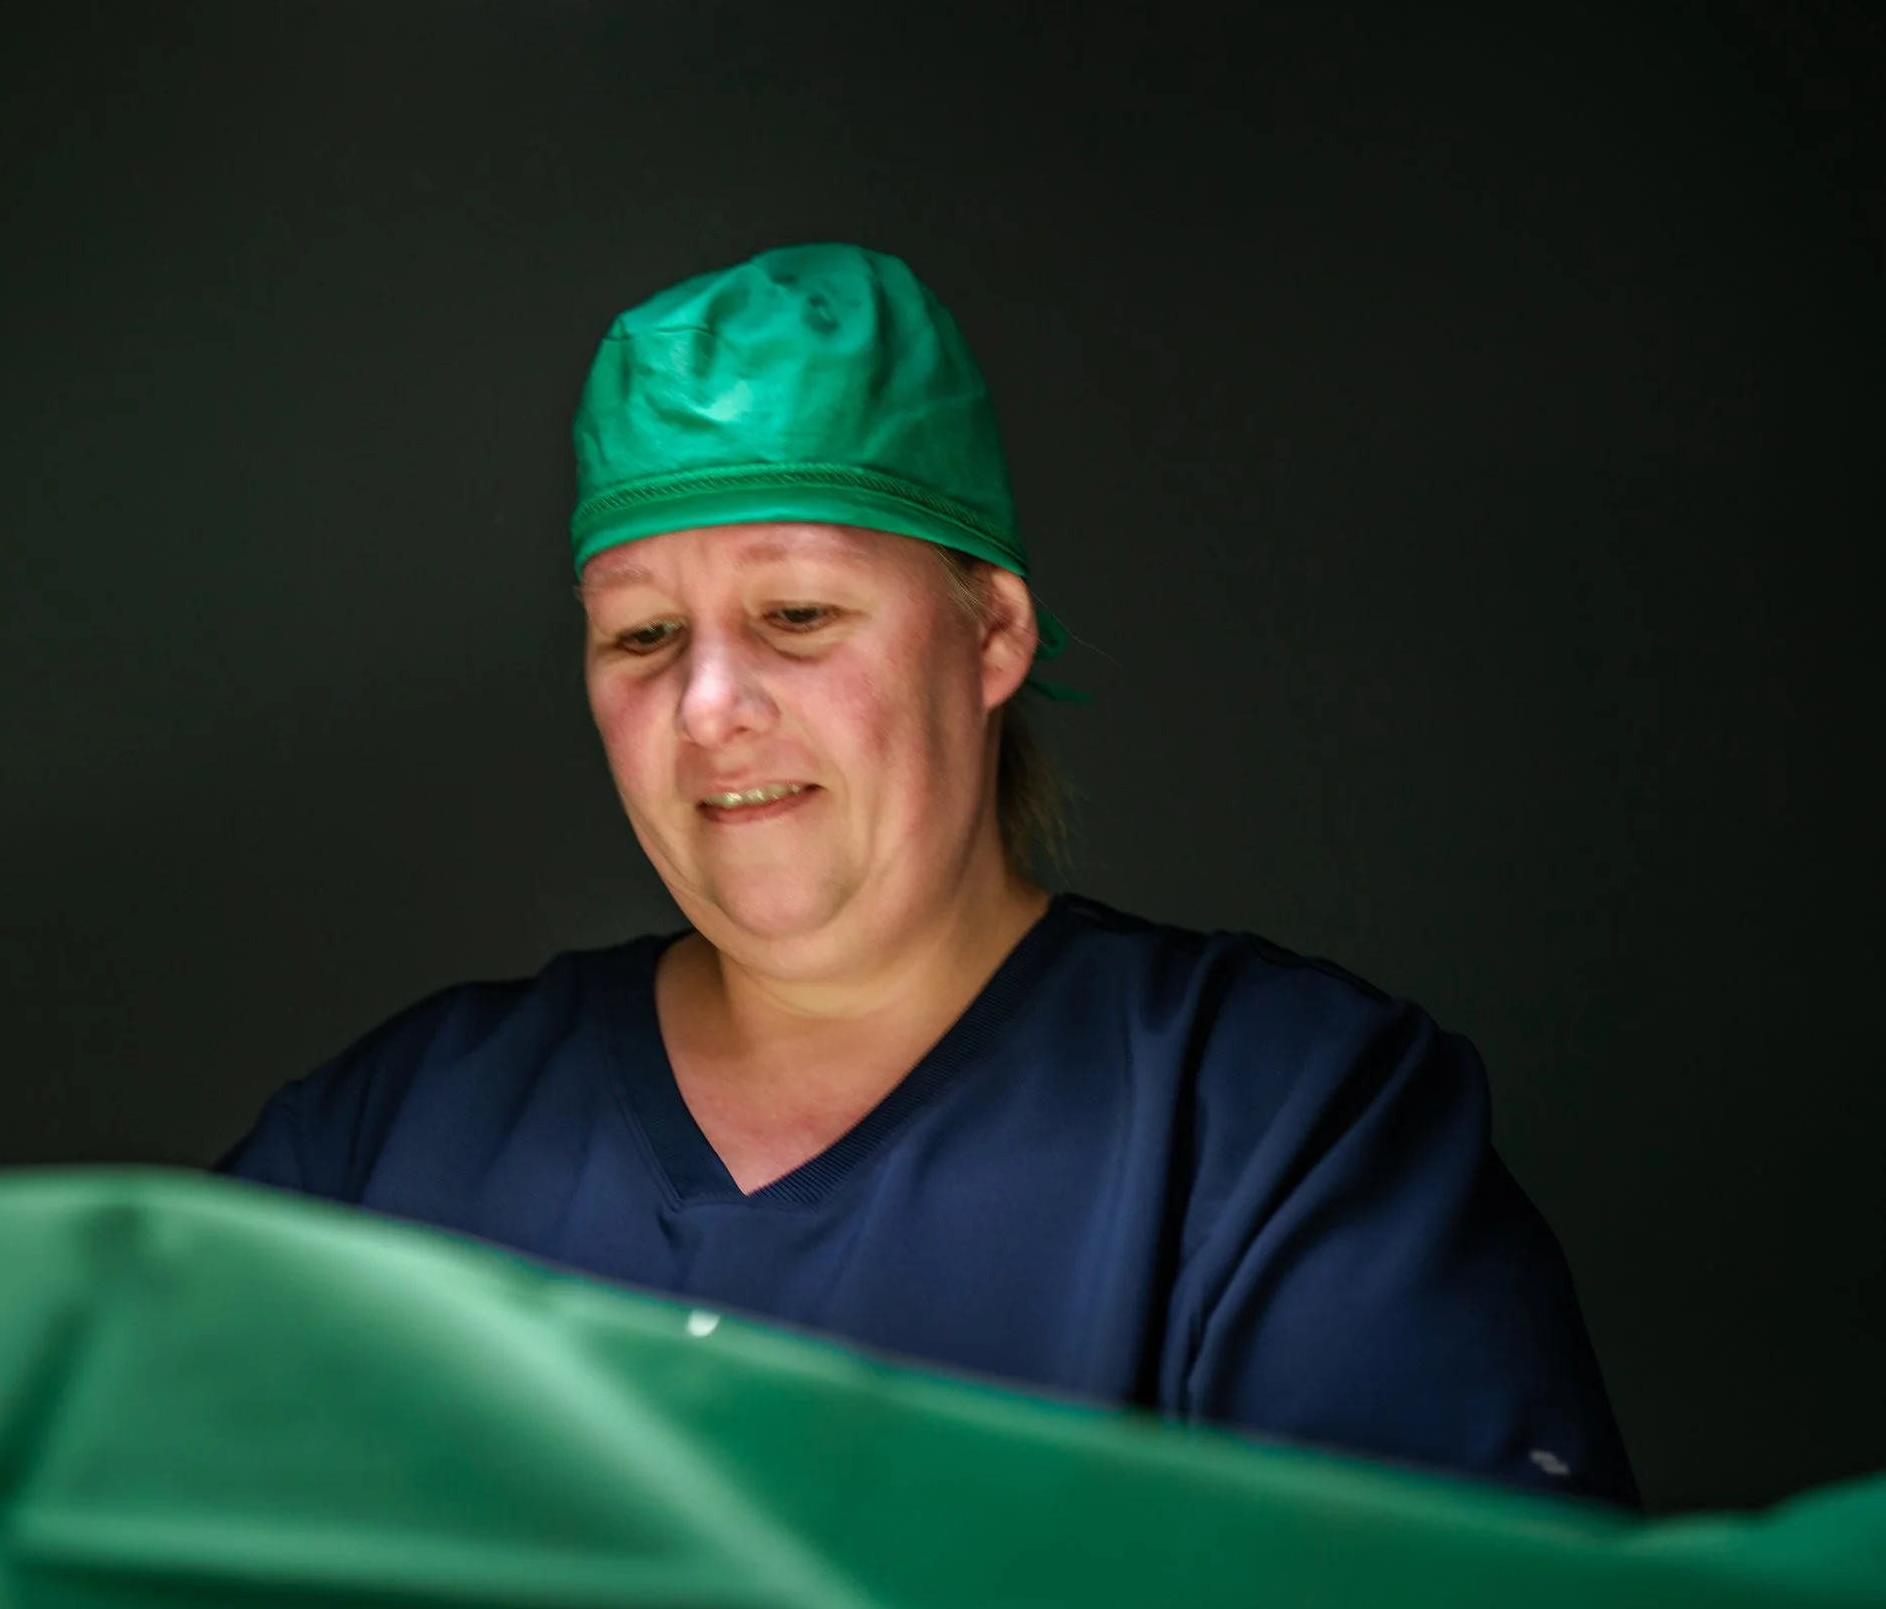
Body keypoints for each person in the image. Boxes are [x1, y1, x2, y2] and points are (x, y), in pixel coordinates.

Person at [218, 243, 1639, 1508]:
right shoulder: (390, 1142)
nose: (708, 708)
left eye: (797, 614)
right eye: (642, 637)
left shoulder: (1282, 1131)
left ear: (992, 633)